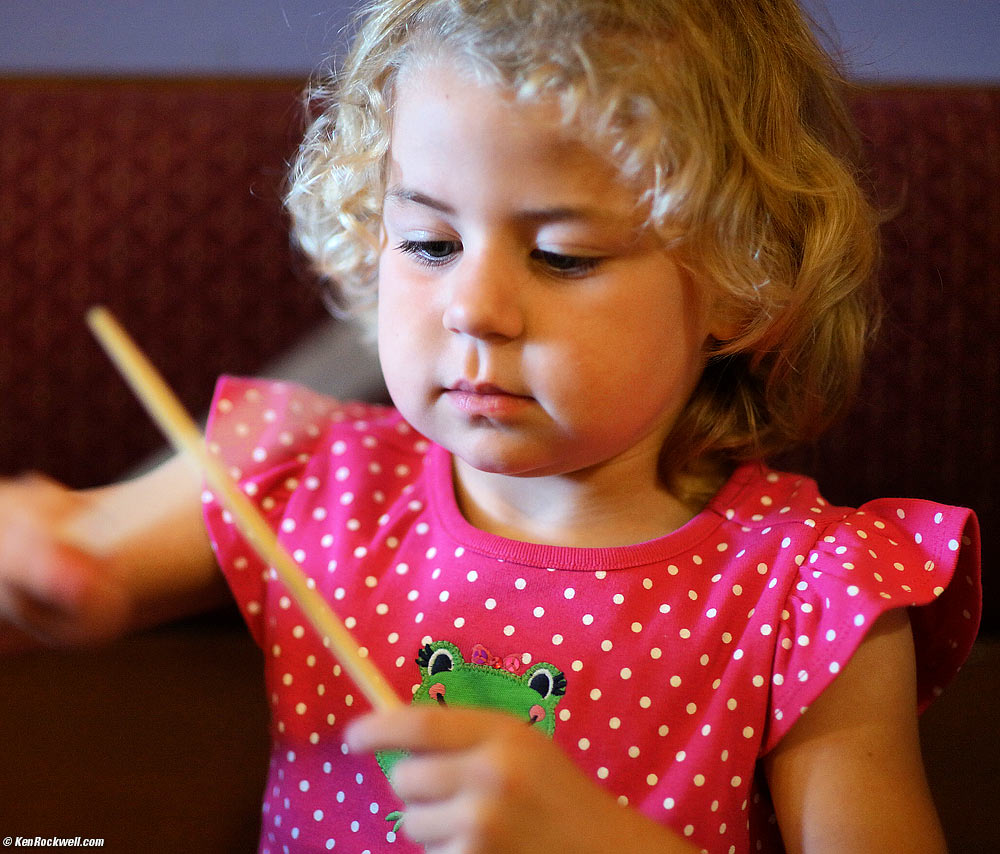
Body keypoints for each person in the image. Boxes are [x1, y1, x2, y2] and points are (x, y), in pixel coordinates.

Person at [0, 1, 982, 852]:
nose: (475, 307)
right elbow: (74, 560)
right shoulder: (301, 472)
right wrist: (38, 569)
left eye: (561, 254)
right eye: (429, 241)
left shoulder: (813, 590)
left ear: (742, 278)